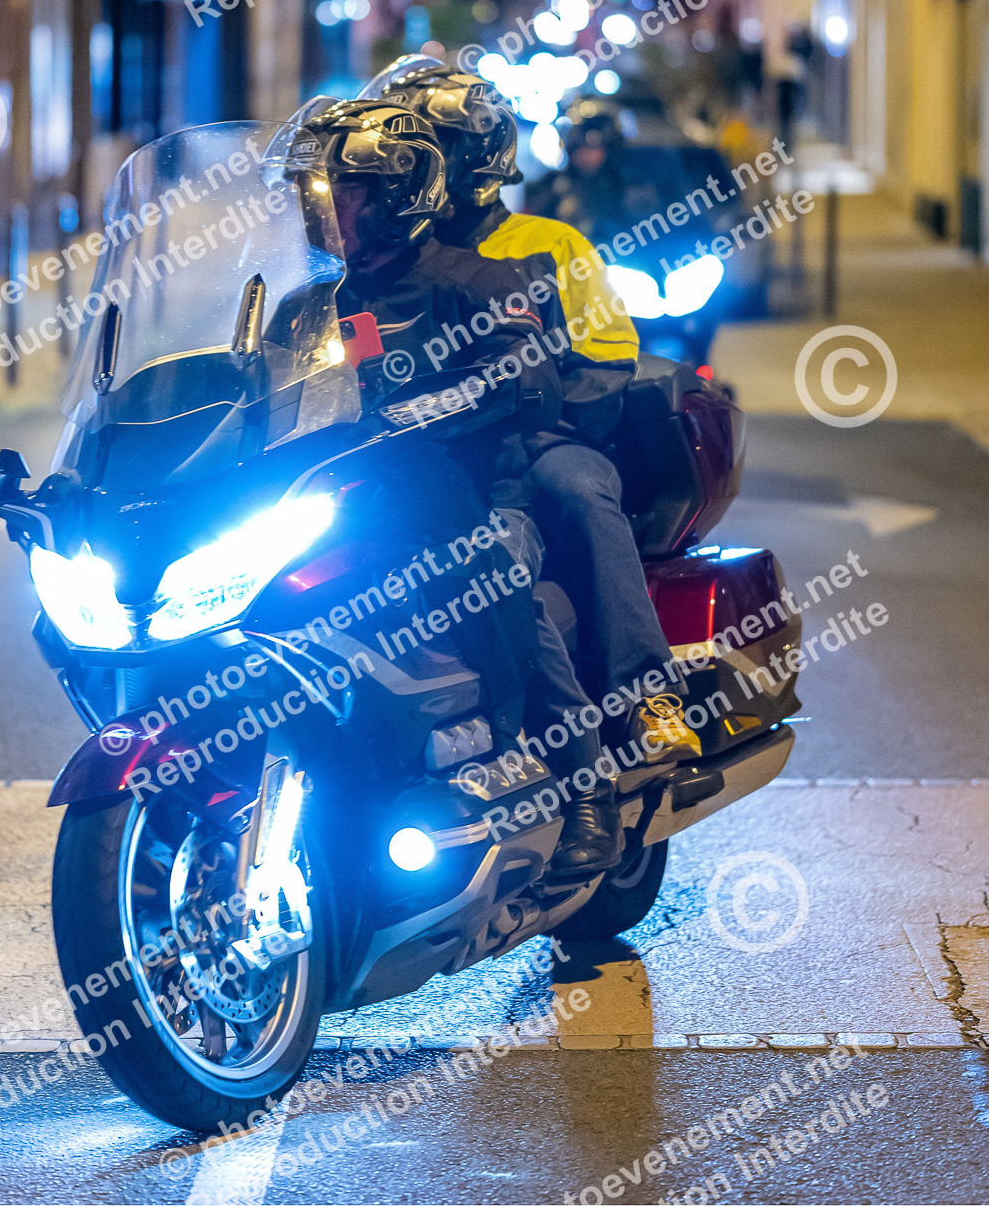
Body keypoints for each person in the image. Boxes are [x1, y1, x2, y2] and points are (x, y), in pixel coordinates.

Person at [294, 95, 624, 878]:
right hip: (358, 502)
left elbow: (529, 376)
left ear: (396, 198)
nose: (322, 212)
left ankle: (587, 787)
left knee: (495, 583)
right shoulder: (317, 302)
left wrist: (458, 396)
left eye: (342, 194)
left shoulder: (478, 281)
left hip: (480, 498)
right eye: (315, 195)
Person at [364, 57, 700, 764]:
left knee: (579, 491)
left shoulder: (549, 244)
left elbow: (608, 359)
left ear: (472, 158)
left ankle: (648, 697)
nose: (407, 163)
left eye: (426, 144)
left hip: (541, 438)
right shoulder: (387, 259)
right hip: (413, 451)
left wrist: (522, 418)